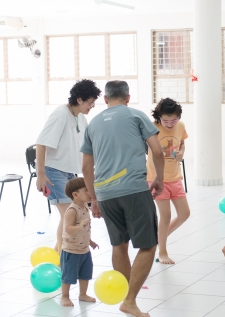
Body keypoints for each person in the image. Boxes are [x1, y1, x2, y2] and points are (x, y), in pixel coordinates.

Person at [81, 80, 165, 317]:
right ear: (128, 98)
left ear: (105, 100)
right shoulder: (136, 116)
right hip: (134, 190)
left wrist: (93, 199)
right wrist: (159, 178)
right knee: (148, 245)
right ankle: (129, 300)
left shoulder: (93, 124)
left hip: (106, 194)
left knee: (119, 244)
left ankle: (126, 296)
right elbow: (157, 151)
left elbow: (86, 166)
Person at [35, 79, 101, 253]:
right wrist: (40, 173)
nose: (92, 106)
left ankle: (58, 254)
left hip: (70, 173)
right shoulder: (60, 114)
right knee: (68, 216)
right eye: (90, 102)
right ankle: (62, 257)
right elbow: (41, 143)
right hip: (53, 171)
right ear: (79, 100)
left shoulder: (80, 117)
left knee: (76, 213)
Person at [147, 98, 190, 265]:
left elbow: (182, 143)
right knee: (165, 216)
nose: (170, 124)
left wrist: (182, 153)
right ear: (159, 117)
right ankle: (163, 251)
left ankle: (159, 240)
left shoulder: (181, 126)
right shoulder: (152, 127)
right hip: (157, 178)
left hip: (175, 177)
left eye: (174, 120)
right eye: (166, 120)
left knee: (184, 214)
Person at [60, 177, 99, 307]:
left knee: (86, 273)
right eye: (86, 190)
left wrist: (90, 241)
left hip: (84, 250)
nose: (90, 192)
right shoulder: (72, 210)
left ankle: (83, 294)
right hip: (71, 250)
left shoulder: (85, 208)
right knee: (68, 275)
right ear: (75, 195)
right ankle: (65, 296)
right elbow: (68, 229)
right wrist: (80, 226)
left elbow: (86, 229)